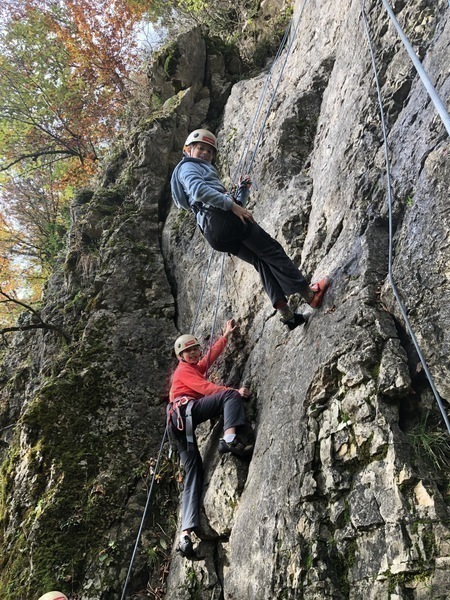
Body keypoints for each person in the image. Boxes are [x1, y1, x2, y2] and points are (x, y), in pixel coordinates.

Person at [171, 129, 330, 330]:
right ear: (188, 150)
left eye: (209, 151)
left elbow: (230, 206)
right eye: (200, 148)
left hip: (214, 233)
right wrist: (232, 205)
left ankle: (288, 316)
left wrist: (241, 192)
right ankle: (310, 295)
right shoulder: (188, 167)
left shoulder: (198, 172)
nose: (205, 153)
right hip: (222, 218)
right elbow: (200, 191)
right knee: (272, 251)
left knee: (260, 261)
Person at [168, 319, 253, 558]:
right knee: (229, 397)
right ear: (181, 356)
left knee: (193, 472)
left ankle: (185, 534)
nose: (195, 353)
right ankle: (229, 438)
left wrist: (225, 336)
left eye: (196, 349)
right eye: (189, 351)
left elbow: (207, 361)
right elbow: (207, 389)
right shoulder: (183, 370)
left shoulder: (191, 368)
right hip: (185, 413)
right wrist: (233, 391)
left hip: (179, 424)